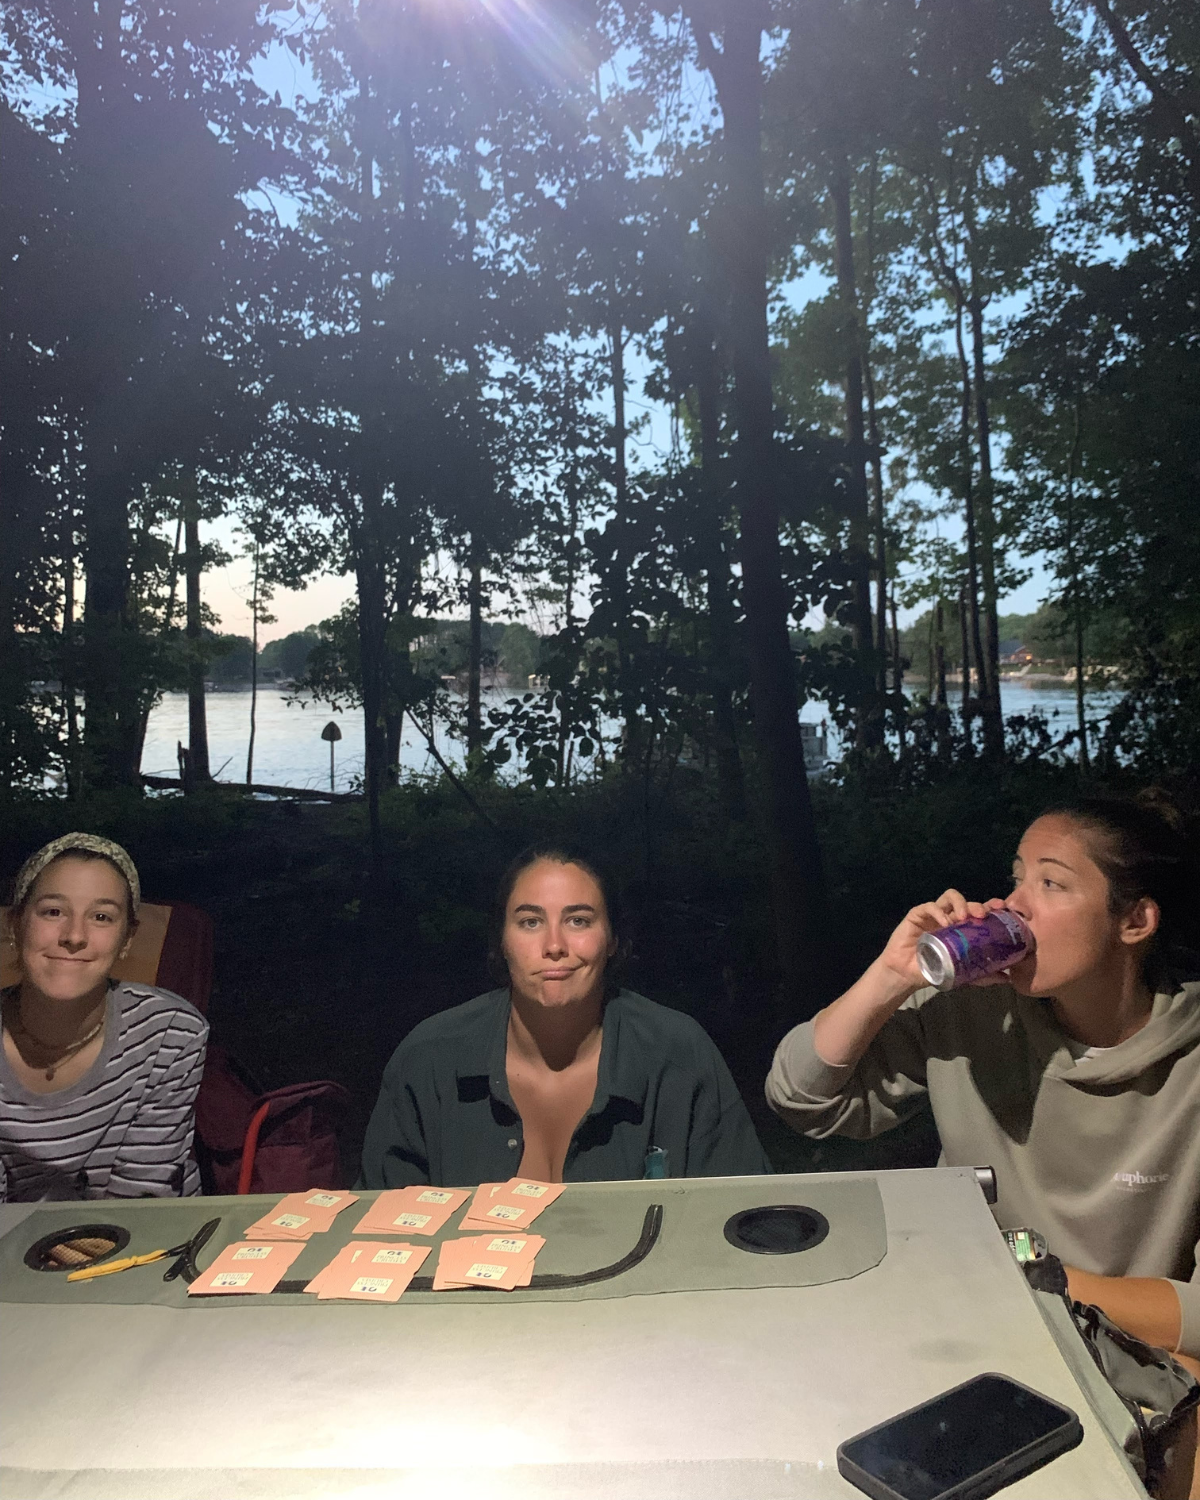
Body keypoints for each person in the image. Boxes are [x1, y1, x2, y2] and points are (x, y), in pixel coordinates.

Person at [766, 795, 1200, 1380]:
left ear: (1134, 922)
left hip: (1132, 1360)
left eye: (1051, 884)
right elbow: (801, 1099)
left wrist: (1035, 1274)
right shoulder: (973, 1013)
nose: (1013, 904)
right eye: (1017, 878)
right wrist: (889, 978)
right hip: (975, 1333)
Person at [361, 845, 770, 1187]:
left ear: (612, 939)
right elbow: (378, 1238)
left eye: (578, 920)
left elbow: (746, 1220)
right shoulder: (429, 1060)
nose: (554, 944)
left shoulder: (679, 1054)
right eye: (530, 921)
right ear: (501, 941)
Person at [1, 834, 208, 1201]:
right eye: (53, 911)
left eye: (101, 917)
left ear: (127, 938)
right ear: (15, 925)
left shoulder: (170, 1035)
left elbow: (142, 1204)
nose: (74, 936)